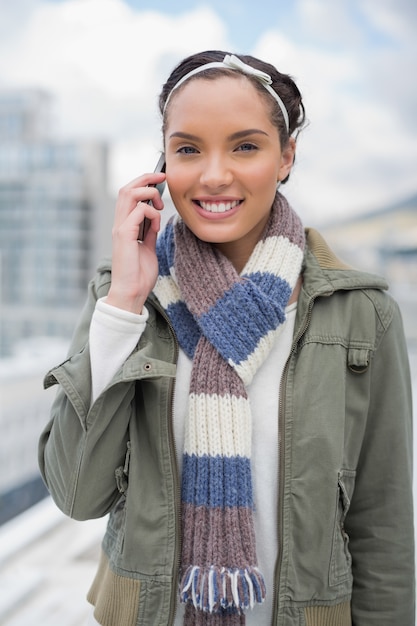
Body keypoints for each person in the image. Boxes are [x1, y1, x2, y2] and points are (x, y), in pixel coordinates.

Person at [38, 50, 415, 626]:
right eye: (188, 149)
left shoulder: (362, 314)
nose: (214, 175)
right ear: (162, 161)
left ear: (286, 156)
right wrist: (122, 309)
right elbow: (75, 493)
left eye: (245, 146)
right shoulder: (127, 300)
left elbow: (382, 525)